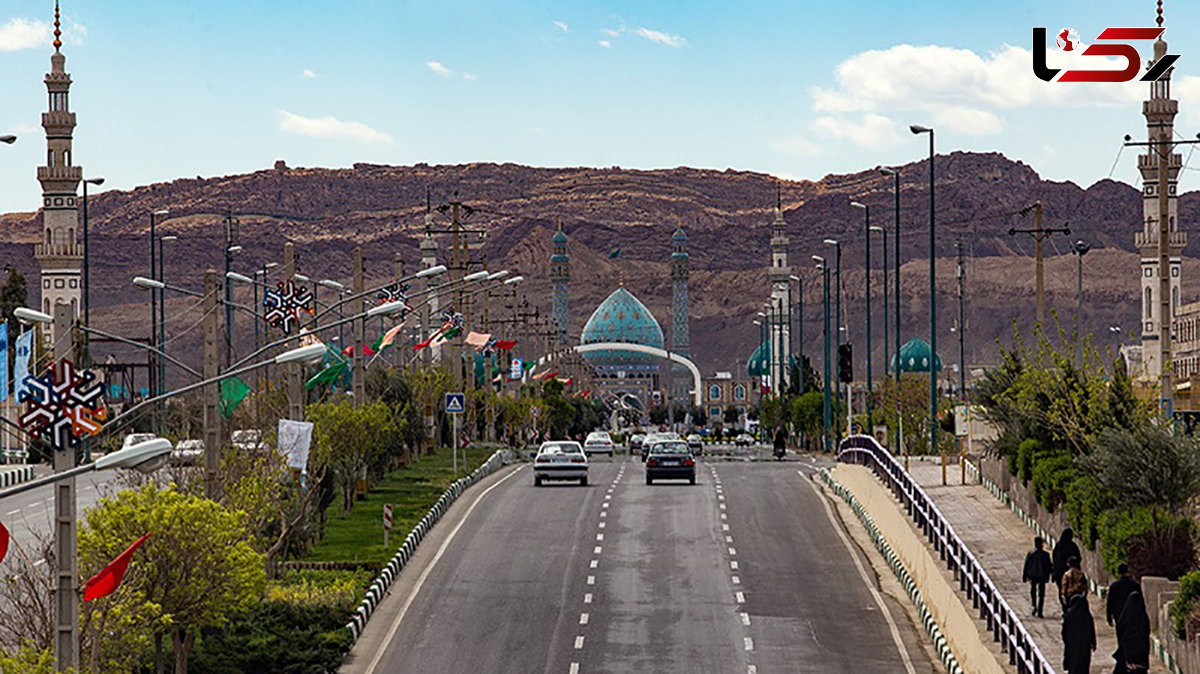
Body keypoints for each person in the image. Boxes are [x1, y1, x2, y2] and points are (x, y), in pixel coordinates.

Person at [1114, 590, 1150, 673]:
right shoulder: (1143, 617)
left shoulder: (1125, 617)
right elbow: (1147, 631)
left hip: (1129, 651)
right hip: (1141, 652)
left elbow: (1119, 627)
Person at [1062, 592, 1096, 674]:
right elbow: (1092, 630)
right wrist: (1093, 643)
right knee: (1083, 665)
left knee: (1073, 664)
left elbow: (1064, 632)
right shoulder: (1087, 615)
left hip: (1072, 645)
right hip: (1085, 645)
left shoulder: (1068, 616)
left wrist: (1067, 641)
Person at [1022, 536, 1053, 618]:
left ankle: (1034, 605)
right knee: (1041, 594)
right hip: (1042, 576)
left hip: (1033, 575)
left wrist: (1024, 576)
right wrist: (1050, 575)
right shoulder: (1045, 555)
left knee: (1033, 591)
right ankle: (1040, 610)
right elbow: (1049, 566)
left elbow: (1026, 565)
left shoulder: (1031, 554)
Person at [1052, 528, 1082, 606]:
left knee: (1062, 590)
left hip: (1059, 573)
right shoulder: (1072, 546)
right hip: (1072, 574)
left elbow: (1054, 559)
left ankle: (1064, 606)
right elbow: (1078, 558)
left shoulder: (1058, 546)